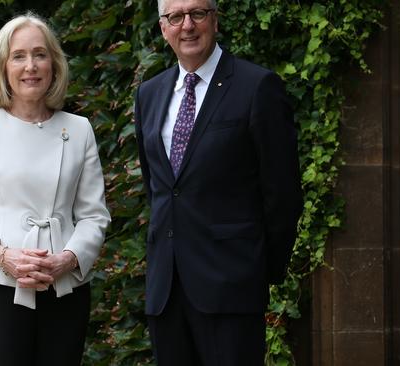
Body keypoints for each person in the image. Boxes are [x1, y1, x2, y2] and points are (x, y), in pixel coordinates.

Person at [134, 0, 303, 364]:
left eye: (198, 13)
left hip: (232, 288)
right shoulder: (148, 95)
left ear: (215, 19)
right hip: (167, 290)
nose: (187, 26)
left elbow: (283, 194)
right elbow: (159, 188)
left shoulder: (257, 87)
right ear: (163, 27)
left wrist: (257, 269)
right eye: (175, 17)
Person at [0, 13, 110, 366]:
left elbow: (94, 216)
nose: (30, 66)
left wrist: (69, 258)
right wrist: (5, 257)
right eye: (18, 56)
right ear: (3, 67)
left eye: (39, 54)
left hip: (65, 290)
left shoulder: (79, 130)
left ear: (54, 64)